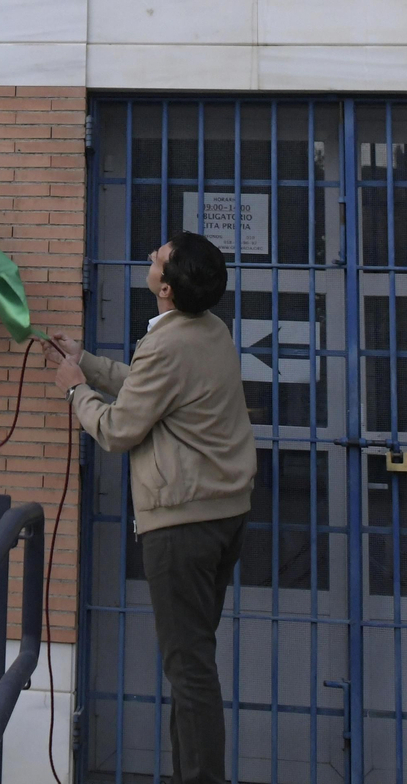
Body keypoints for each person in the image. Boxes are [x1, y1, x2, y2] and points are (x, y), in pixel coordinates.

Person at [46, 232, 255, 784]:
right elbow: (150, 386)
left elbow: (118, 428)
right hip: (223, 515)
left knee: (189, 672)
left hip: (182, 524)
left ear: (165, 286)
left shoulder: (167, 344)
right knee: (192, 662)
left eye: (157, 256)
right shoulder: (210, 330)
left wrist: (74, 391)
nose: (148, 256)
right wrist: (86, 363)